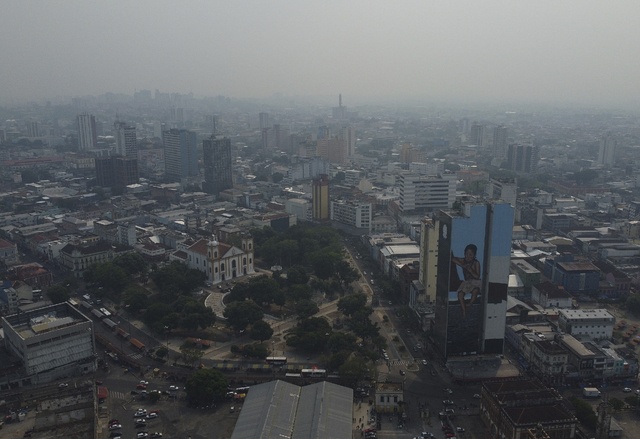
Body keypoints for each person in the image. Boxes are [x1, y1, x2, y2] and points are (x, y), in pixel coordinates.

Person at [452, 244, 481, 318]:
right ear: (464, 254)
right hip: (467, 283)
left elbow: (477, 276)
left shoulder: (476, 263)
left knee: (475, 291)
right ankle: (464, 310)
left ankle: (470, 304)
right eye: (467, 254)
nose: (468, 256)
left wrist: (471, 270)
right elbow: (453, 259)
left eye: (471, 255)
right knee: (460, 294)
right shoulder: (463, 261)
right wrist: (463, 265)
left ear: (474, 255)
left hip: (475, 282)